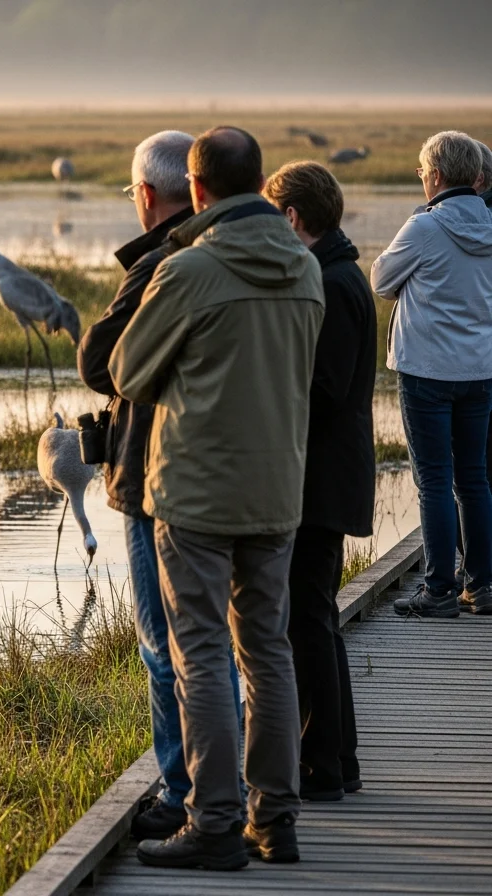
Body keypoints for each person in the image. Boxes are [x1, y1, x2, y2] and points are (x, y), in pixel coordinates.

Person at [111, 127, 324, 870]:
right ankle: (279, 820)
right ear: (260, 183)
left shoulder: (189, 270)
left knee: (201, 655)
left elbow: (128, 370)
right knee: (268, 651)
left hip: (195, 494)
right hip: (278, 490)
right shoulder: (305, 264)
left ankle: (214, 822)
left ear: (196, 191)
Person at [78, 130, 241, 841]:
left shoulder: (166, 262)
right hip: (230, 472)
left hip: (157, 475)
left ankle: (184, 794)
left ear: (147, 195)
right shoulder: (233, 251)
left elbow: (99, 360)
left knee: (168, 643)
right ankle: (225, 788)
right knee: (227, 641)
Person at [263, 161, 376, 802]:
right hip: (330, 473)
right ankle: (338, 760)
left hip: (322, 478)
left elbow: (324, 393)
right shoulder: (339, 273)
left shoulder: (332, 284)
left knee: (307, 620)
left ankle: (323, 767)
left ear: (292, 218)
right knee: (316, 618)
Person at [371, 131, 492, 618]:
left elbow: (380, 280)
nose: (422, 180)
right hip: (481, 370)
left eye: (423, 172)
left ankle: (439, 589)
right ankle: (482, 587)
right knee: (476, 480)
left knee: (436, 481)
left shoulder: (423, 227)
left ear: (436, 176)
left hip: (426, 373)